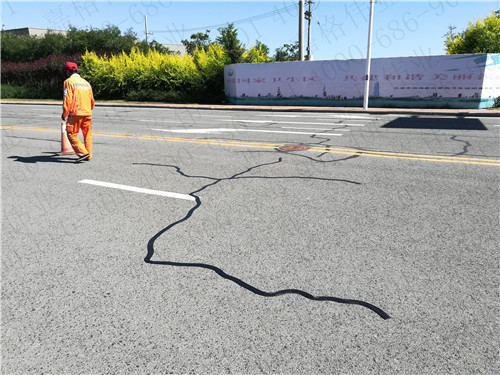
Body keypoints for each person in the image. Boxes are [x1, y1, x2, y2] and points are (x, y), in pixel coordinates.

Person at [61, 62, 95, 163]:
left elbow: (67, 98)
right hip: (87, 112)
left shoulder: (69, 82)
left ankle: (83, 153)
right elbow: (91, 99)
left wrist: (65, 113)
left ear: (68, 71)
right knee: (87, 134)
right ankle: (88, 154)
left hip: (75, 113)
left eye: (66, 71)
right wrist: (90, 108)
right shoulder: (86, 82)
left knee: (71, 133)